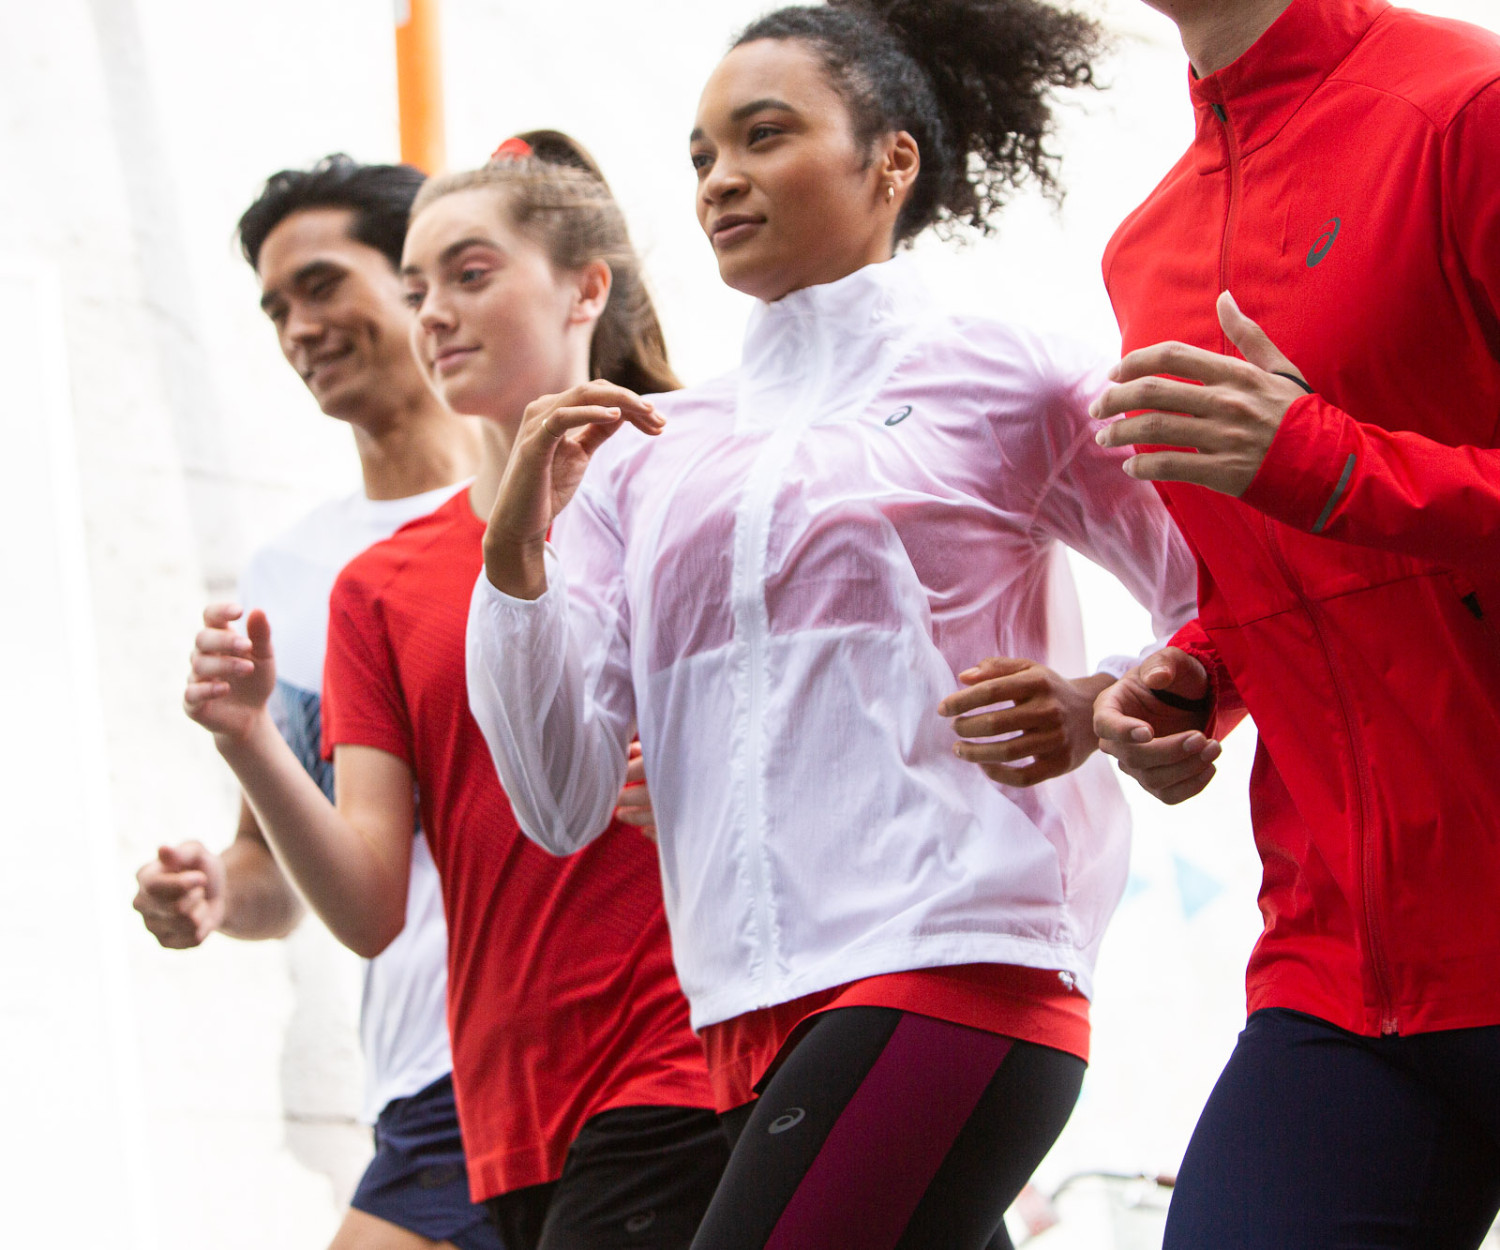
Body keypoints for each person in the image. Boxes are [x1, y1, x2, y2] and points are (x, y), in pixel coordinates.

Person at [466, 6, 1198, 1248]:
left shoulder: (1014, 373)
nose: (721, 180)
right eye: (701, 155)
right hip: (745, 1011)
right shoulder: (649, 457)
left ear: (890, 160)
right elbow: (557, 798)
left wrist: (1105, 701)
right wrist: (513, 557)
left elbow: (1216, 588)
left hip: (959, 959)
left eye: (764, 136)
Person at [183, 132, 727, 1250]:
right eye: (422, 286)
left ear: (587, 288)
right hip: (496, 1096)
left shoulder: (696, 485)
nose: (433, 312)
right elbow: (371, 905)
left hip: (689, 1052)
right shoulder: (370, 585)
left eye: (464, 277)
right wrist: (249, 740)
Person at [1091, 1, 1500, 1245]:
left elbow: (1332, 482)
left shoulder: (1465, 110)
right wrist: (1195, 678)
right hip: (1343, 966)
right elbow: (1278, 576)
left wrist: (1333, 464)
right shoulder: (1144, 250)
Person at [134, 154, 498, 1250]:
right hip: (418, 1079)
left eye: (326, 284)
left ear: (422, 280)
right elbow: (281, 873)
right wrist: (213, 890)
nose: (298, 327)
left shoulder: (545, 503)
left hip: (578, 1047)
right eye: (276, 307)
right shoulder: (291, 573)